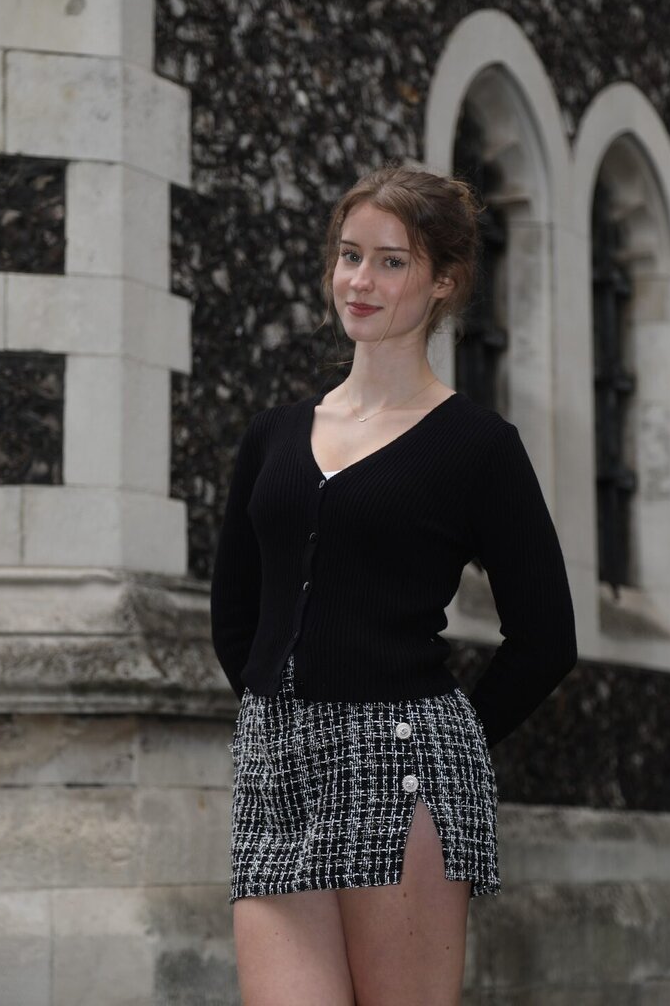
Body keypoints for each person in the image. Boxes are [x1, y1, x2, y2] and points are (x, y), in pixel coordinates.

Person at [210, 164, 578, 1006]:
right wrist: (281, 719)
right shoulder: (273, 435)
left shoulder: (478, 447)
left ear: (443, 279)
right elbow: (235, 615)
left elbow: (546, 638)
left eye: (391, 261)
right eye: (350, 256)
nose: (360, 282)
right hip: (273, 765)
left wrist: (452, 739)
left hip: (405, 765)